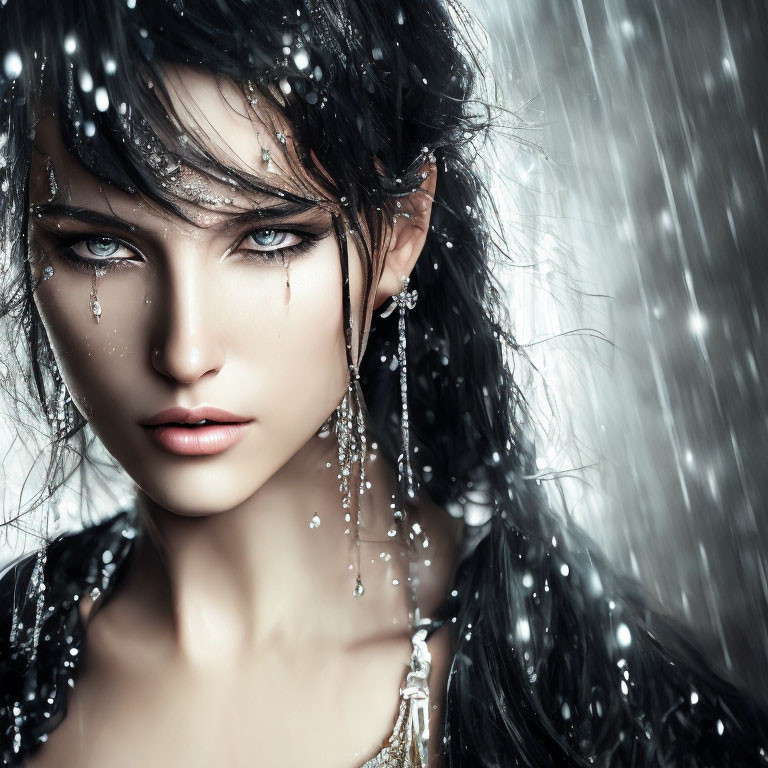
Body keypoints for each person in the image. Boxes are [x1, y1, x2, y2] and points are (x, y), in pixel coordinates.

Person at [0, 1, 766, 766]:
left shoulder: (620, 729)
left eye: (269, 238)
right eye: (99, 246)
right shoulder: (12, 667)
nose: (184, 349)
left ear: (400, 228)